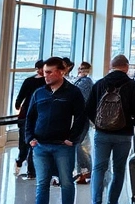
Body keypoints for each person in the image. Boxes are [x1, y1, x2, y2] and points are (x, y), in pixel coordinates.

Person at [87, 54, 135, 204]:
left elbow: (88, 109)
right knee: (119, 170)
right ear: (126, 67)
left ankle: (96, 201)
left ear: (111, 67)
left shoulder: (100, 84)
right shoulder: (132, 85)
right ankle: (112, 201)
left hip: (102, 134)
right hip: (124, 134)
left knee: (99, 168)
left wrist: (98, 123)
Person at [27, 57, 87, 204]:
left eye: (49, 72)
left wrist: (72, 139)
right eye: (44, 72)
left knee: (66, 183)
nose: (45, 75)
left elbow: (81, 117)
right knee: (42, 184)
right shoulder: (39, 93)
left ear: (61, 72)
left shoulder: (73, 92)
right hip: (40, 145)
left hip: (62, 146)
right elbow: (30, 117)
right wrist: (29, 138)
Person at [15, 60, 46, 177]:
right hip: (27, 112)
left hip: (38, 113)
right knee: (24, 141)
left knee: (33, 141)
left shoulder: (46, 82)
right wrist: (18, 105)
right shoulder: (29, 81)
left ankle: (31, 169)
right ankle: (21, 160)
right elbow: (21, 95)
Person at [73, 62, 95, 184]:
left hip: (81, 118)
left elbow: (81, 100)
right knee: (82, 144)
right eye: (80, 68)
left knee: (80, 145)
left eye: (83, 69)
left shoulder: (85, 82)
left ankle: (84, 170)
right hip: (80, 118)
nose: (81, 70)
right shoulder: (81, 82)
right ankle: (84, 170)